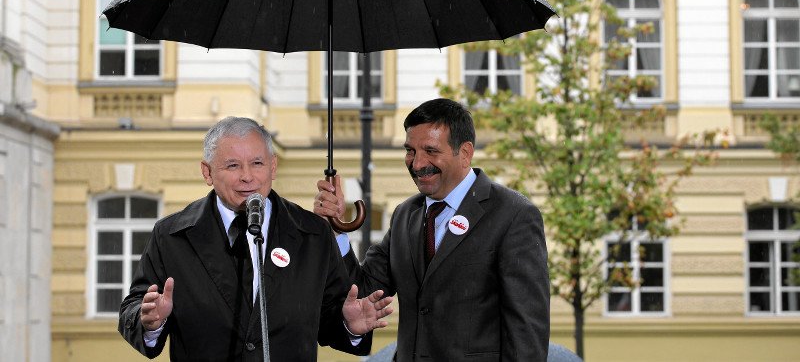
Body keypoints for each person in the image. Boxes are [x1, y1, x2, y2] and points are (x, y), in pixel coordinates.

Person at [119, 116, 393, 361]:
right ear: (207, 172)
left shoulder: (313, 233)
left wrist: (349, 325)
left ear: (273, 167)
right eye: (233, 165)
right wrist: (150, 322)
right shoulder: (171, 236)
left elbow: (332, 319)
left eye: (257, 163)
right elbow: (133, 308)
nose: (247, 177)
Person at [315, 98, 550, 361]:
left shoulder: (514, 214)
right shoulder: (405, 215)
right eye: (410, 151)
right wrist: (335, 231)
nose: (416, 164)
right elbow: (363, 291)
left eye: (430, 151)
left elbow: (526, 334)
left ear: (465, 152)